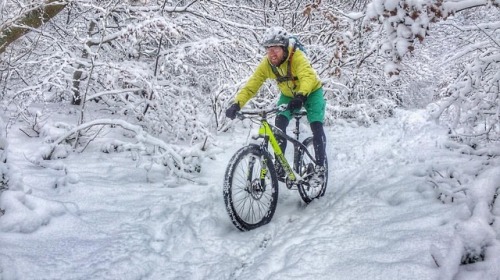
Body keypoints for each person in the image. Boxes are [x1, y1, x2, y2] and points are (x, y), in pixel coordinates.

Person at [225, 26, 326, 184]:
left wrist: (301, 95)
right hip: (288, 96)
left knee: (316, 126)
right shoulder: (267, 64)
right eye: (268, 49)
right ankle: (280, 165)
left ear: (285, 48)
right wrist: (237, 104)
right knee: (279, 124)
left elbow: (307, 76)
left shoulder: (297, 57)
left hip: (311, 93)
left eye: (276, 49)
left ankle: (320, 168)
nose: (272, 54)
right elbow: (252, 85)